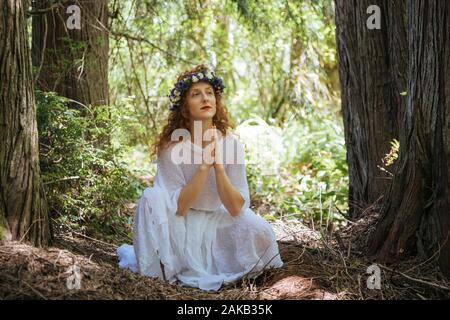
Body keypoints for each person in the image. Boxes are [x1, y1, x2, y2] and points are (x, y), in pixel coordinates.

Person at [117, 64, 283, 291]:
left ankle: (221, 265)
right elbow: (180, 207)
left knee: (260, 230)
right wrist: (204, 166)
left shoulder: (232, 145)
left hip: (218, 218)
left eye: (209, 93)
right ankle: (160, 271)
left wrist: (219, 166)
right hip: (181, 221)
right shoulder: (171, 147)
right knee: (151, 198)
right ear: (185, 109)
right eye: (196, 94)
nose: (205, 98)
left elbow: (236, 208)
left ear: (216, 101)